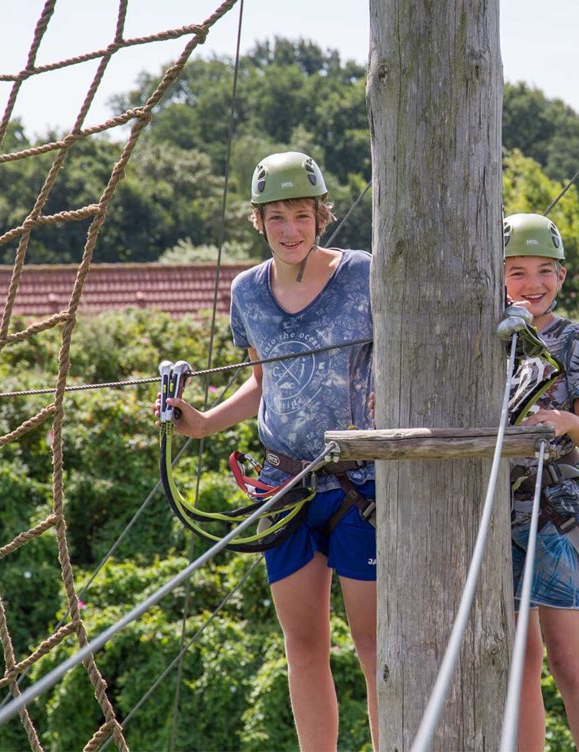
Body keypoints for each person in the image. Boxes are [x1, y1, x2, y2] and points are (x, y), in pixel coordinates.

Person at [157, 151, 378, 751]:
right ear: (258, 221)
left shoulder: (364, 274)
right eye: (276, 217)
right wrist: (202, 424)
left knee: (375, 644)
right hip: (284, 486)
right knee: (303, 646)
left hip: (363, 484)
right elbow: (262, 383)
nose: (289, 229)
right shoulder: (247, 292)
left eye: (301, 215)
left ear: (321, 215)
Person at [503, 213, 579, 751]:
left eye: (545, 271)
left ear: (563, 277)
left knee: (568, 657)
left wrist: (567, 421)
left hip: (557, 505)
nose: (533, 284)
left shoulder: (575, 340)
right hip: (498, 511)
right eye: (517, 272)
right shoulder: (486, 341)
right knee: (518, 660)